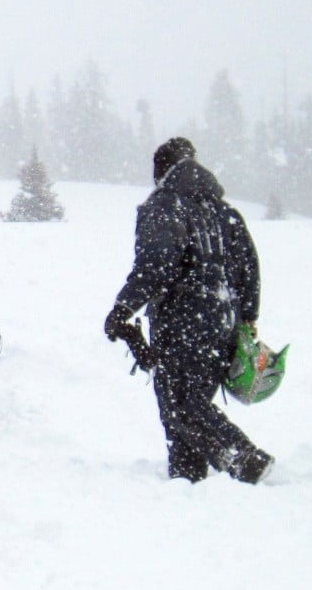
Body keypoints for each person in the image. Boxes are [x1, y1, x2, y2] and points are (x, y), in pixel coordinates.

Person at [104, 137, 274, 484]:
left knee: (182, 401)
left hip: (184, 318)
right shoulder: (226, 212)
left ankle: (244, 457)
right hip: (224, 319)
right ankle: (187, 480)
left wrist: (124, 307)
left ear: (161, 172)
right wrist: (247, 318)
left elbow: (157, 263)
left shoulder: (166, 205)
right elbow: (249, 269)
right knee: (184, 404)